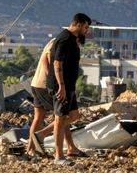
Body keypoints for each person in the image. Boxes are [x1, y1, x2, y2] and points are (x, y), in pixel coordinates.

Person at [33, 13, 91, 165]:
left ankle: (42, 134)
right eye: (85, 27)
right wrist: (61, 86)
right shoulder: (64, 39)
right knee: (60, 119)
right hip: (61, 87)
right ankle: (59, 157)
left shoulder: (71, 40)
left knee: (74, 115)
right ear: (78, 24)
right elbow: (57, 63)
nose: (87, 31)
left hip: (68, 86)